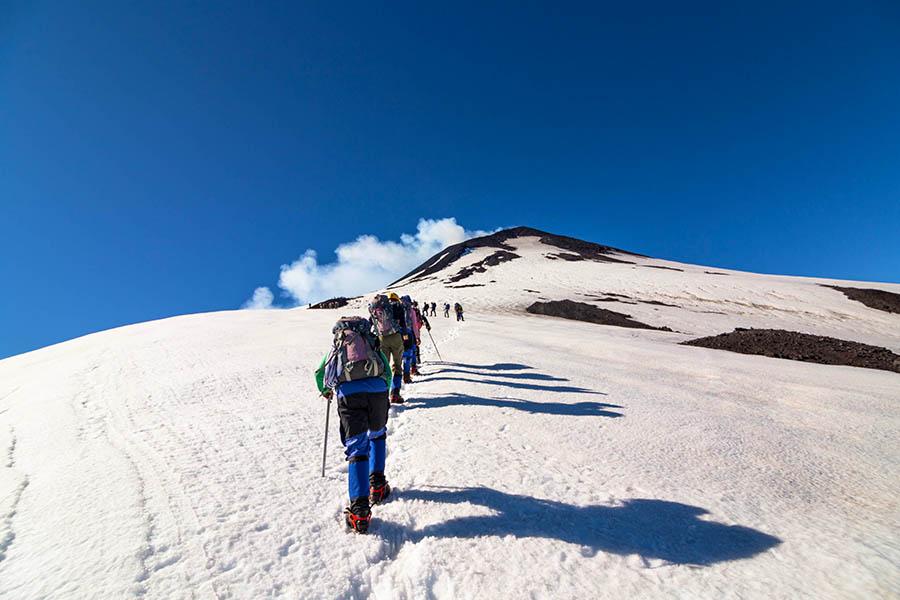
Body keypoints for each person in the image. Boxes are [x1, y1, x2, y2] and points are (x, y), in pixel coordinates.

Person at [314, 316, 392, 534]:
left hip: (349, 395)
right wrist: (382, 389)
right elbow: (386, 368)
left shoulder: (338, 346)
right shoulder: (371, 341)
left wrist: (327, 390)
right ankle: (377, 485)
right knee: (378, 434)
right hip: (377, 391)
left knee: (357, 447)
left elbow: (320, 373)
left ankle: (359, 511)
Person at [369, 293, 407, 404]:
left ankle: (383, 396)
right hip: (396, 337)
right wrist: (405, 336)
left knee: (384, 368)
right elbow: (403, 323)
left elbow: (370, 322)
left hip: (382, 339)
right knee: (397, 366)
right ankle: (395, 394)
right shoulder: (397, 306)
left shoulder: (376, 308)